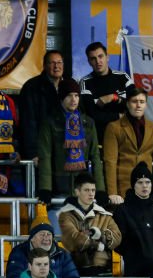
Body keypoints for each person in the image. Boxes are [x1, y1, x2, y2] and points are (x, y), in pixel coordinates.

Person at [37, 77, 104, 213]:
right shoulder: (50, 122)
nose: (74, 100)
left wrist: (101, 189)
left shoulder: (88, 123)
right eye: (69, 96)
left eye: (76, 96)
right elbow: (45, 156)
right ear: (61, 98)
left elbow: (95, 156)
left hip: (83, 189)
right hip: (59, 189)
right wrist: (45, 188)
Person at [103, 85, 153, 204]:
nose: (138, 105)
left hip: (146, 188)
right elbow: (110, 162)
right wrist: (112, 192)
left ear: (146, 104)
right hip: (123, 188)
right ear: (127, 103)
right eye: (134, 101)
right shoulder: (114, 127)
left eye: (142, 101)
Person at [113, 162, 153, 277]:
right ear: (133, 185)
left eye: (148, 182)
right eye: (140, 182)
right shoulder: (122, 210)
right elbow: (118, 242)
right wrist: (132, 255)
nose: (145, 186)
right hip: (134, 272)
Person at [59, 173, 121, 277]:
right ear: (77, 192)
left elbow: (117, 238)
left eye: (93, 190)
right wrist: (99, 245)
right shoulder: (66, 215)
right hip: (76, 271)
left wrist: (99, 234)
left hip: (103, 270)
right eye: (87, 190)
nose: (91, 194)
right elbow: (74, 240)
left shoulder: (104, 214)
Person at [78, 42, 133, 141]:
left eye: (100, 56)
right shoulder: (85, 82)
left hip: (125, 136)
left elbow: (134, 105)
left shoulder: (123, 77)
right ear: (89, 62)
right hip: (100, 138)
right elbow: (91, 115)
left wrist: (113, 97)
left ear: (107, 57)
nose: (98, 61)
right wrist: (119, 115)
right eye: (93, 58)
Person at [6, 221, 81, 278]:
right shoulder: (19, 252)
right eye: (42, 234)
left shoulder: (62, 254)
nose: (46, 237)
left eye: (49, 234)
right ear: (32, 238)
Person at [20, 50, 66, 161]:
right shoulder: (31, 87)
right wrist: (33, 152)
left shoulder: (70, 85)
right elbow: (28, 122)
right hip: (42, 151)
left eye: (59, 63)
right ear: (44, 66)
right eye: (52, 63)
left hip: (64, 150)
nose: (56, 66)